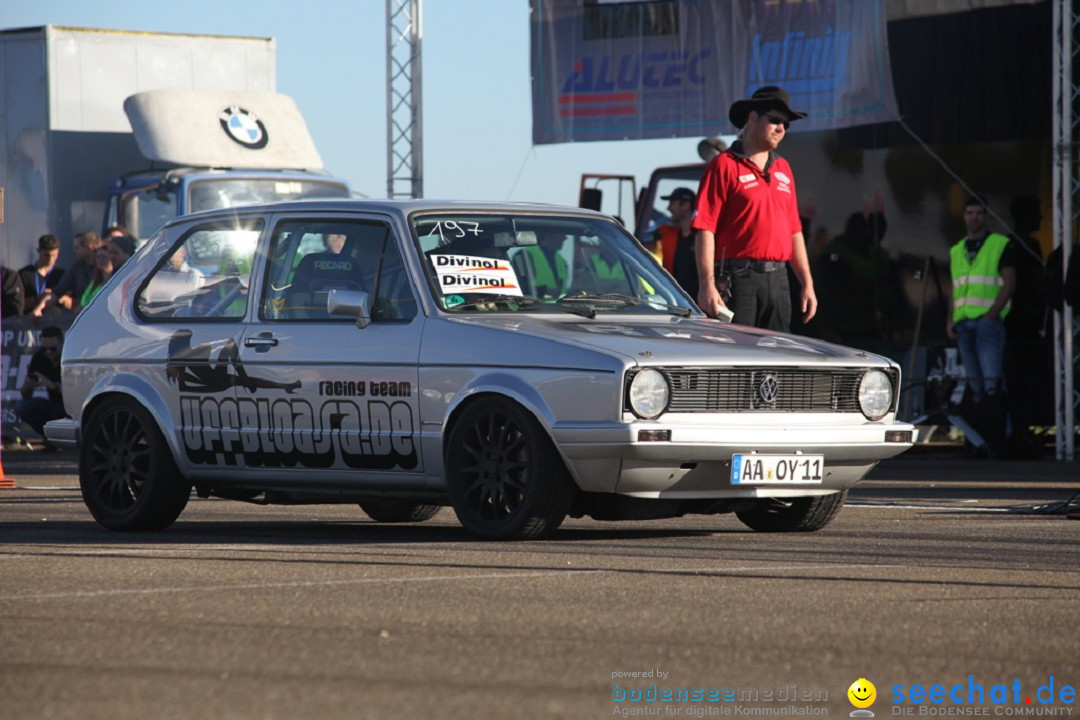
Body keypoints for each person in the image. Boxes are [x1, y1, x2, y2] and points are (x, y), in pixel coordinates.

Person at [693, 86, 817, 331]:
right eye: (774, 120)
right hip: (739, 280)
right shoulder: (723, 166)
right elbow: (704, 228)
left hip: (780, 279)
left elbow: (794, 230)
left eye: (786, 124)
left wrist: (807, 283)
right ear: (752, 118)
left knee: (780, 357)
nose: (781, 128)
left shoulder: (783, 168)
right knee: (738, 358)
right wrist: (706, 285)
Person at [946, 196, 1016, 451]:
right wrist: (950, 322)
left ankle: (1001, 438)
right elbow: (956, 290)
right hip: (965, 324)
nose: (974, 217)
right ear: (964, 217)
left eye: (978, 213)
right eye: (969, 213)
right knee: (975, 386)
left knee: (992, 384)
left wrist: (991, 315)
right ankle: (982, 440)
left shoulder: (998, 244)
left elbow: (1009, 282)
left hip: (987, 323)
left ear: (985, 216)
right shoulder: (957, 250)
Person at [1003, 196, 1051, 454]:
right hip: (1022, 324)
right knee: (1019, 382)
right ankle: (1019, 433)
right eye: (1037, 212)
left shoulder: (1020, 243)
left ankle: (1021, 432)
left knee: (1021, 382)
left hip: (1024, 322)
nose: (1041, 218)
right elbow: (1029, 285)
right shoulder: (1021, 244)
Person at [15, 326, 68, 448]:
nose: (48, 352)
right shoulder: (39, 358)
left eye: (53, 349)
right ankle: (50, 438)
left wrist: (52, 385)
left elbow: (77, 394)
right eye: (44, 349)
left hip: (72, 409)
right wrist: (28, 386)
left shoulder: (68, 358)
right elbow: (25, 395)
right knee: (22, 407)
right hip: (53, 406)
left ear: (61, 344)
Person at [651, 187, 699, 300]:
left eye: (672, 203)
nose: (668, 208)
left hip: (700, 306)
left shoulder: (703, 239)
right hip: (676, 303)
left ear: (686, 205)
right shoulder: (666, 237)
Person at [53, 231, 104, 311]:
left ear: (89, 248)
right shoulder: (77, 267)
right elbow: (58, 291)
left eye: (77, 248)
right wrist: (39, 309)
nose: (74, 251)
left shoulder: (106, 267)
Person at [19, 234, 65, 316]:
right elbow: (18, 304)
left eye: (54, 255)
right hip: (29, 323)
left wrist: (56, 296)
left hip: (57, 322)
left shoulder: (62, 275)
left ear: (59, 252)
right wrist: (38, 299)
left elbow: (72, 303)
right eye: (46, 255)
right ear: (38, 251)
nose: (50, 259)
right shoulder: (24, 274)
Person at [75, 246, 115, 312]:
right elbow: (83, 302)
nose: (100, 259)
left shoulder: (114, 281)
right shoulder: (95, 281)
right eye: (98, 256)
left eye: (104, 257)